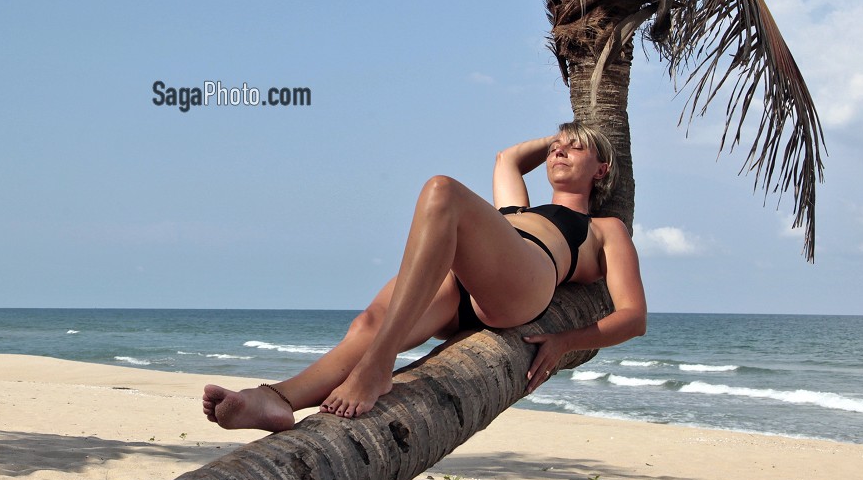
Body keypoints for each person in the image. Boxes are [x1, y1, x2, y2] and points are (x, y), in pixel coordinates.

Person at [203, 121, 647, 432]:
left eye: (574, 148)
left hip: (524, 281)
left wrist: (567, 340)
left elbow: (634, 316)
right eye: (554, 147)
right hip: (460, 282)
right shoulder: (517, 207)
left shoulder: (604, 229)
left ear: (601, 169)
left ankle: (378, 368)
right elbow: (507, 157)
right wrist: (565, 135)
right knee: (367, 324)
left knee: (442, 191)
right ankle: (277, 399)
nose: (557, 152)